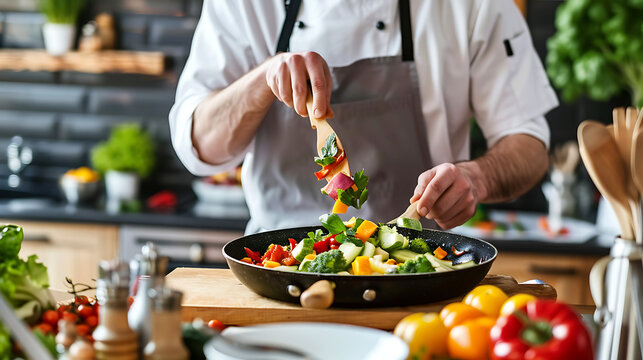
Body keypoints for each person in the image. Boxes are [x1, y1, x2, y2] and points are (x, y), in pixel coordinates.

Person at [170, 0, 558, 234]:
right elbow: (199, 147)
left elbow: (528, 142)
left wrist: (478, 177)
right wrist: (261, 80)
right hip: (277, 266)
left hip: (419, 274)